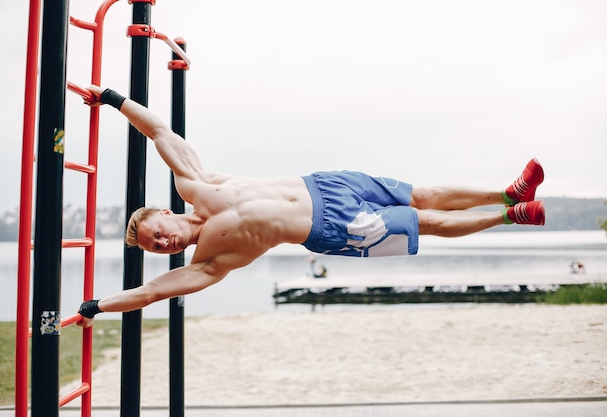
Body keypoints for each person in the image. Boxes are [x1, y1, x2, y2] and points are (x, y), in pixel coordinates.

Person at [77, 85, 546, 326]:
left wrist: (114, 99)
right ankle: (509, 216)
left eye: (155, 233)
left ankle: (507, 192)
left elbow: (159, 132)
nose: (162, 242)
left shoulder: (195, 181)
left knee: (421, 194)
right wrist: (96, 306)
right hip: (333, 226)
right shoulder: (209, 264)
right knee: (425, 221)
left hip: (326, 183)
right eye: (156, 249)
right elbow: (151, 293)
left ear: (162, 211)